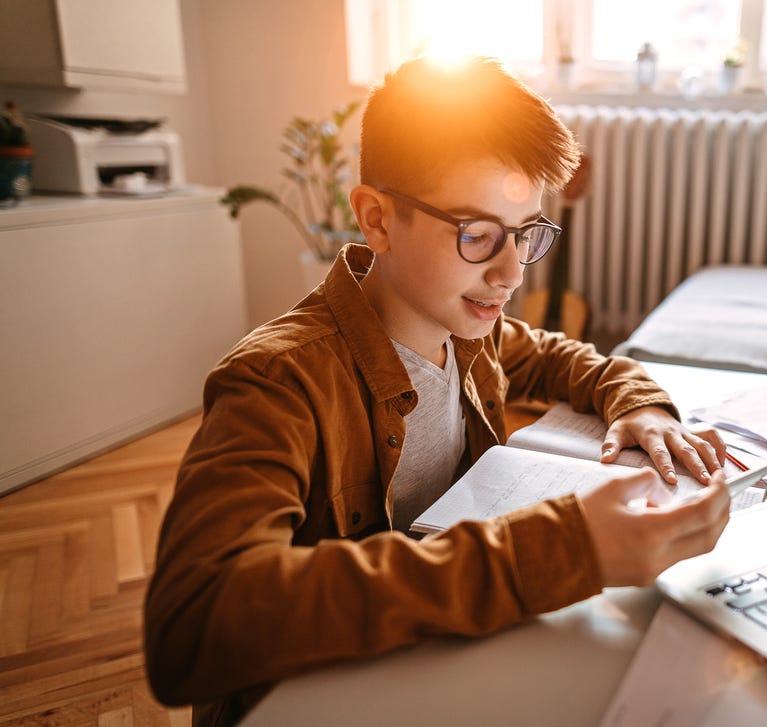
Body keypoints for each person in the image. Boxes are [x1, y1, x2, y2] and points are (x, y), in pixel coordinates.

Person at [143, 55, 732, 726]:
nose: (511, 272)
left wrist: (643, 404)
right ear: (377, 219)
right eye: (478, 235)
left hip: (431, 660)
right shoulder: (278, 382)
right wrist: (558, 547)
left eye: (525, 235)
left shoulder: (468, 331)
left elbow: (565, 358)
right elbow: (191, 624)